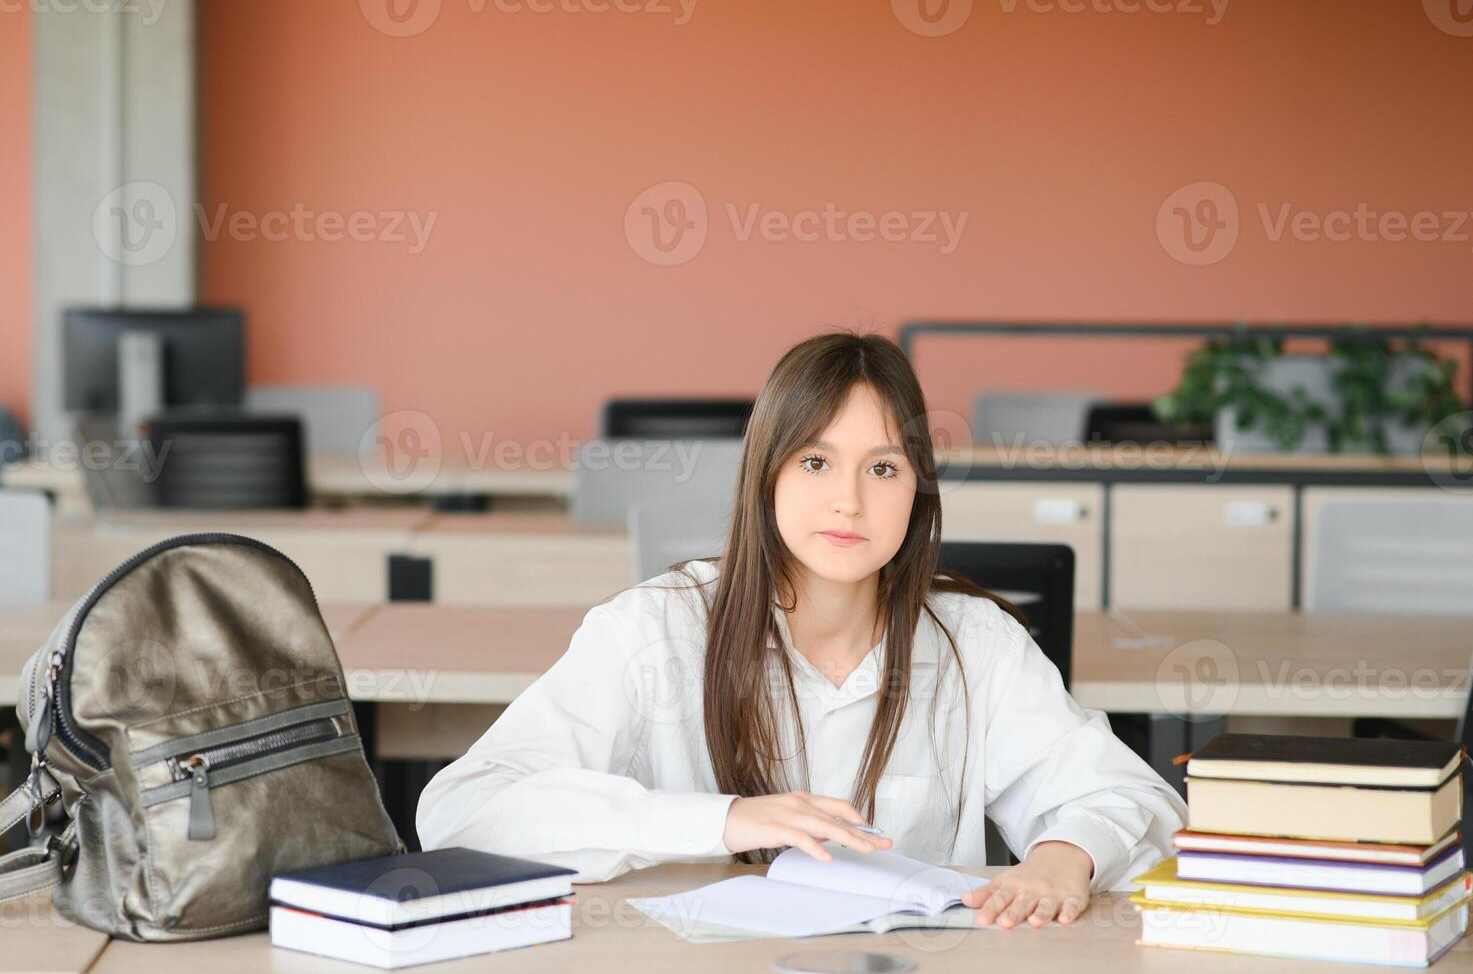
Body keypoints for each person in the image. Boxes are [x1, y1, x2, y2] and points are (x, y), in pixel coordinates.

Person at [417, 331, 1187, 929]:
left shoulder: (970, 641)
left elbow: (1129, 796)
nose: (848, 502)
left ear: (917, 492)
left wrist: (1064, 855)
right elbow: (463, 810)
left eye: (882, 469)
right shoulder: (652, 630)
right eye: (816, 462)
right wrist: (718, 819)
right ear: (767, 474)